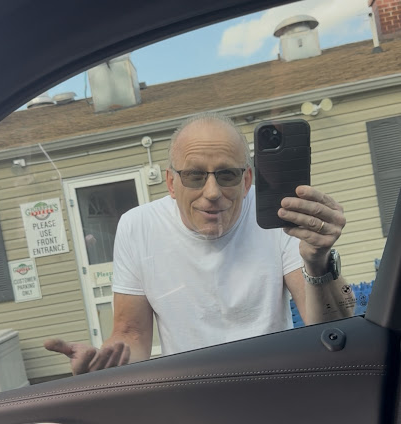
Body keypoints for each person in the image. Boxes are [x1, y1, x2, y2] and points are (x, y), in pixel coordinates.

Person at [45, 112, 352, 375]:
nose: (212, 192)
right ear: (171, 183)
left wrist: (319, 261)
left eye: (227, 175)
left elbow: (333, 327)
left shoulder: (278, 216)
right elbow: (131, 334)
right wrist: (104, 367)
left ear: (247, 180)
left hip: (273, 382)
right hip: (190, 390)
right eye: (194, 175)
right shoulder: (138, 226)